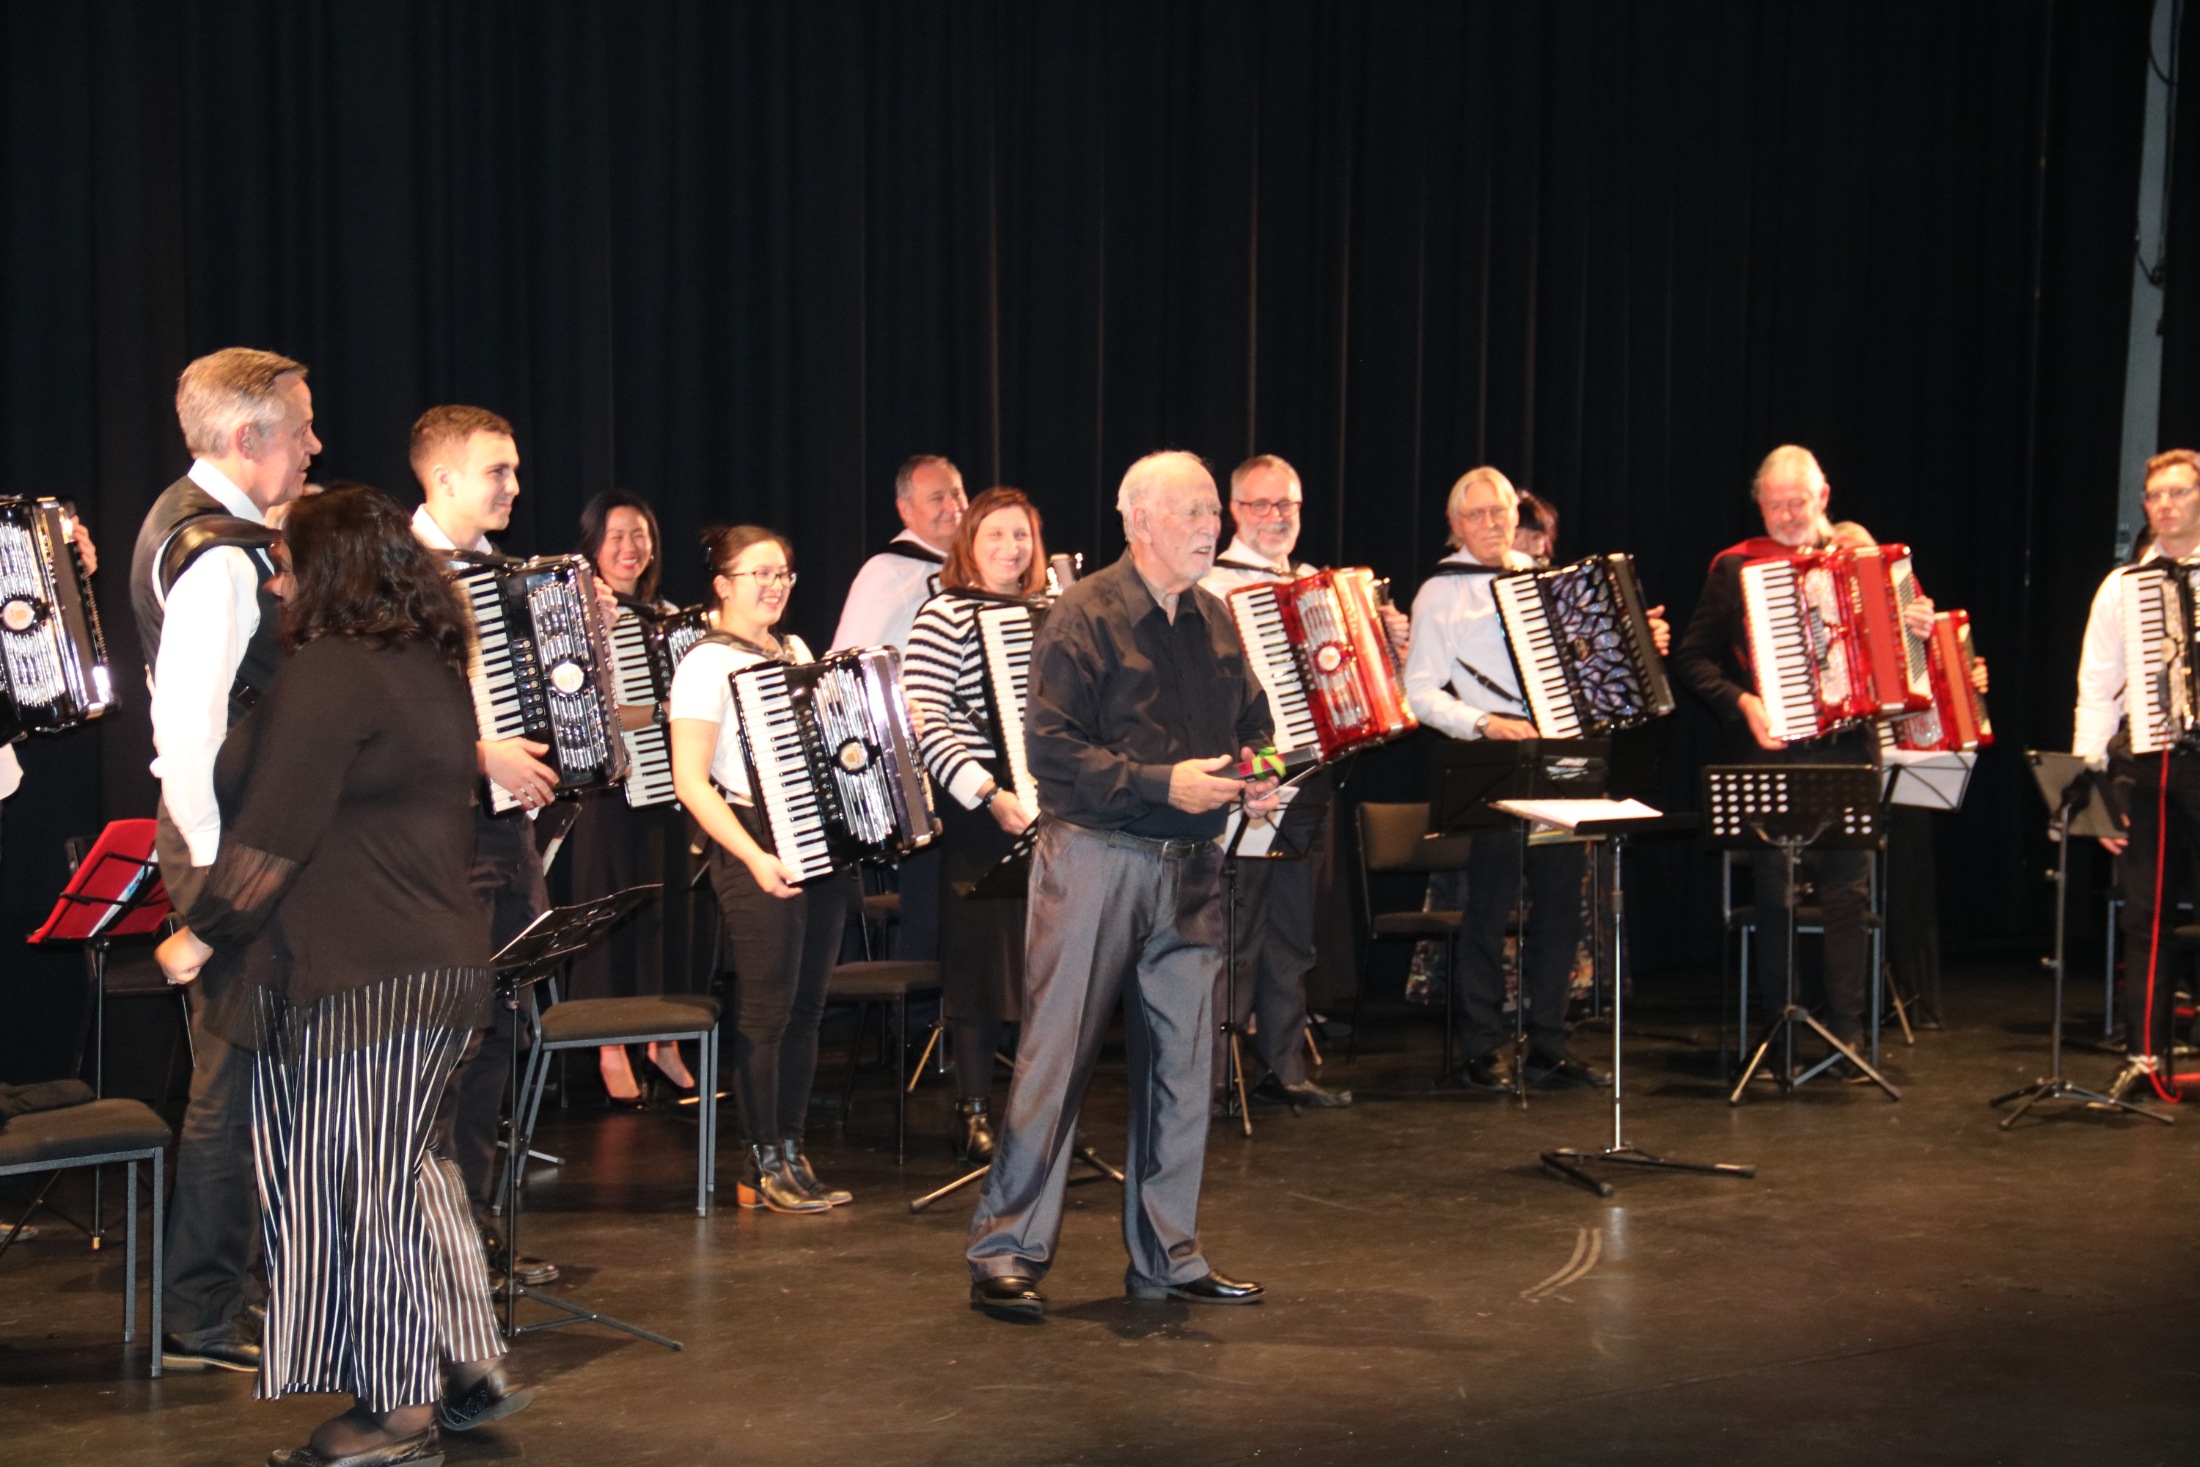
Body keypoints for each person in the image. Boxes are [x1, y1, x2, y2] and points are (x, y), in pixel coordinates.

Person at [155, 485, 529, 1467]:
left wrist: (203, 933)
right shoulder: (426, 663)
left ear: (326, 572)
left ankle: (395, 1414)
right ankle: (465, 1362)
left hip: (364, 978)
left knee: (357, 1191)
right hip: (432, 967)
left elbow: (277, 830)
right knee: (408, 1173)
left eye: (285, 565)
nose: (274, 584)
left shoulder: (331, 673)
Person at [966, 450, 1278, 1321]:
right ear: (1139, 522)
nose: (1211, 527)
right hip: (1098, 858)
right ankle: (1005, 1250)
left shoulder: (1215, 618)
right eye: (1193, 512)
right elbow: (1052, 753)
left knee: (1185, 1065)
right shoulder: (1083, 614)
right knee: (1057, 1058)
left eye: (1213, 512)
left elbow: (1259, 727)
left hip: (1193, 870)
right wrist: (1162, 783)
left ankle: (1168, 1254)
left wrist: (1259, 776)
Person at [129, 346, 318, 1375]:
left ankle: (223, 1293)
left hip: (227, 838)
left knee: (245, 1072)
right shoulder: (216, 553)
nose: (314, 444)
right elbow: (188, 728)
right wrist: (215, 886)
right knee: (234, 1080)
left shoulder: (195, 523)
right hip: (223, 841)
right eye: (302, 427)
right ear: (251, 438)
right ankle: (202, 1312)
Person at [1672, 444, 1931, 1066]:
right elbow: (1692, 657)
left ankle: (1846, 1036)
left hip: (1848, 749)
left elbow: (1907, 669)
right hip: (1773, 752)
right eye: (1775, 505)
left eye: (1798, 502)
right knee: (1776, 893)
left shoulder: (1865, 562)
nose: (1787, 515)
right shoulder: (1737, 566)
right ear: (1759, 505)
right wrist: (1744, 703)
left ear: (1823, 497)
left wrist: (1917, 629)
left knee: (1848, 894)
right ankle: (1781, 1033)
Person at [1402, 468, 1645, 1089]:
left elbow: (1590, 662)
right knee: (1489, 905)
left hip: (1559, 757)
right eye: (1477, 514)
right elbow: (1420, 692)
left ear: (1516, 515)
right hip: (1496, 761)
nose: (1491, 524)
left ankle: (1549, 1042)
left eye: (1501, 512)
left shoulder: (1544, 579)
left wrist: (1637, 643)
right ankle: (1483, 1044)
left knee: (1561, 905)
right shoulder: (1441, 592)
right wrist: (1483, 722)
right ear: (1455, 524)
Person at [407, 405, 563, 1283]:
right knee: (449, 1036)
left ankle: (474, 1224)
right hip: (440, 835)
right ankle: (430, 1236)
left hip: (506, 830)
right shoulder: (398, 572)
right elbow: (385, 719)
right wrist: (479, 753)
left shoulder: (505, 575)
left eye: (514, 469)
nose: (513, 486)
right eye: (497, 471)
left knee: (499, 1026)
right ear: (443, 478)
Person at [668, 524, 853, 1214]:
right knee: (767, 1010)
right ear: (722, 585)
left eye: (783, 574)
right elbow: (691, 781)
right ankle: (760, 1157)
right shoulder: (704, 664)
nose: (775, 586)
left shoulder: (796, 651)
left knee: (806, 1008)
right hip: (749, 838)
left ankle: (792, 1149)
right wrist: (753, 855)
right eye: (760, 574)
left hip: (813, 838)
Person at [1198, 454, 1357, 1109]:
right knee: (1235, 924)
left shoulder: (1318, 583)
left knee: (1293, 928)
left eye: (1286, 504)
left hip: (1311, 769)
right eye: (1260, 504)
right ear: (1235, 511)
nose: (1275, 517)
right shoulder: (1209, 584)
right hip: (1248, 773)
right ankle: (1215, 1076)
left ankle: (1283, 1068)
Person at [903, 488, 1048, 1161]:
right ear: (970, 543)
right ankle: (973, 1107)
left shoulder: (1057, 611)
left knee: (1046, 961)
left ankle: (1037, 1107)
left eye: (1021, 535)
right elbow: (924, 718)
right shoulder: (945, 613)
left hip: (1052, 803)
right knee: (984, 962)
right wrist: (987, 793)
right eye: (995, 535)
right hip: (981, 806)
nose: (1010, 548)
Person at [563, 489, 695, 1105]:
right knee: (610, 913)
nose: (629, 547)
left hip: (669, 785)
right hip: (607, 789)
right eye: (616, 535)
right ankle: (609, 1045)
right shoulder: (580, 614)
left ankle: (661, 1038)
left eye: (639, 534)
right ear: (593, 544)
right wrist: (666, 710)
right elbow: (590, 709)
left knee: (666, 913)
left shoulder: (668, 616)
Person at [2075, 448, 2200, 1099]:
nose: (2166, 504)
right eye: (2156, 495)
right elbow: (2096, 689)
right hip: (2147, 763)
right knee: (2144, 912)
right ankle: (2144, 1054)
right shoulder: (2121, 586)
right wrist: (2090, 788)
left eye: (2179, 492)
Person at [833, 455, 968, 965]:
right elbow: (844, 671)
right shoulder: (886, 572)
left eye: (957, 493)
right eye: (937, 497)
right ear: (905, 510)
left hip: (970, 763)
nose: (953, 506)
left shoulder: (976, 569)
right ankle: (923, 1012)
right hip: (917, 766)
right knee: (929, 909)